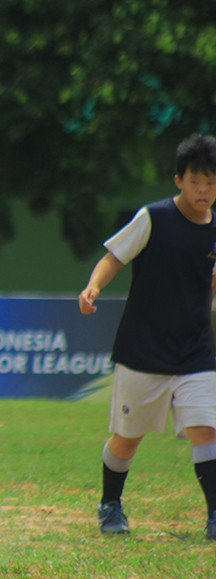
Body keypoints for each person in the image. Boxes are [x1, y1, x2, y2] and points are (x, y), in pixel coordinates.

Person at [79, 133, 216, 540]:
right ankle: (110, 504)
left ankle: (214, 516)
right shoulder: (153, 218)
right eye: (195, 181)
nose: (203, 190)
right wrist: (93, 287)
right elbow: (113, 256)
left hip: (195, 350)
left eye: (210, 182)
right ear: (178, 180)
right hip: (144, 348)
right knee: (127, 438)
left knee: (206, 428)